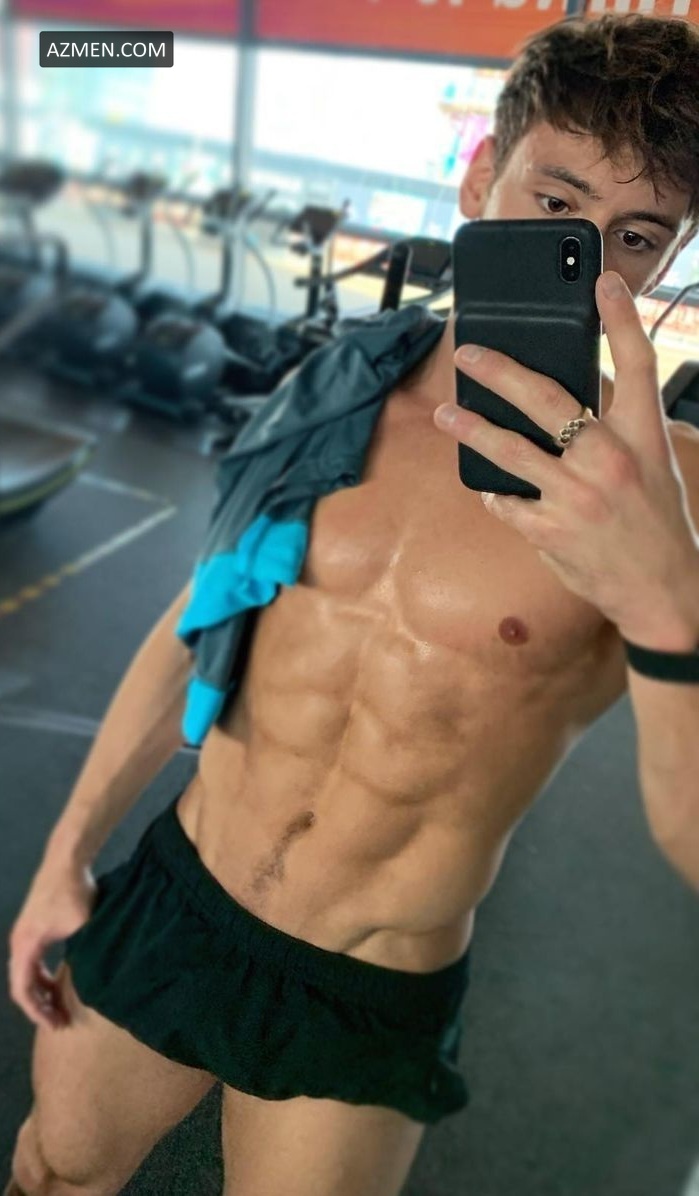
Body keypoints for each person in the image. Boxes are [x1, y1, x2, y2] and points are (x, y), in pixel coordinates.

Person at [6, 11, 699, 1196]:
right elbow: (199, 616)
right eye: (556, 202)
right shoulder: (333, 391)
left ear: (668, 261)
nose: (588, 260)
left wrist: (670, 605)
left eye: (637, 236)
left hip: (366, 979)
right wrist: (66, 852)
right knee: (51, 1170)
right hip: (182, 891)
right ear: (482, 178)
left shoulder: (667, 493)